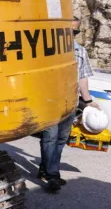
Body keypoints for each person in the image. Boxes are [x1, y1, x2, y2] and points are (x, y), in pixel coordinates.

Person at [39, 17, 101, 192]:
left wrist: (88, 101)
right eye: (68, 30)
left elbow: (82, 78)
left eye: (75, 31)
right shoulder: (48, 50)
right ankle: (52, 175)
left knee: (60, 139)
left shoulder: (80, 51)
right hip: (51, 101)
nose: (71, 34)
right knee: (50, 137)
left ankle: (46, 168)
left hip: (71, 101)